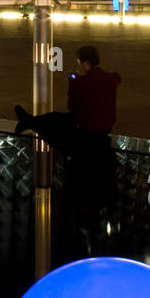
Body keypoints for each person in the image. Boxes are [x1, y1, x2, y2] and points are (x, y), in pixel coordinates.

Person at [14, 45, 121, 243]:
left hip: (86, 136)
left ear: (84, 62)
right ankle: (30, 121)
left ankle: (30, 121)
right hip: (102, 135)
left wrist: (73, 85)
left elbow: (74, 108)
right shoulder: (111, 79)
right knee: (56, 120)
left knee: (55, 126)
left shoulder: (82, 81)